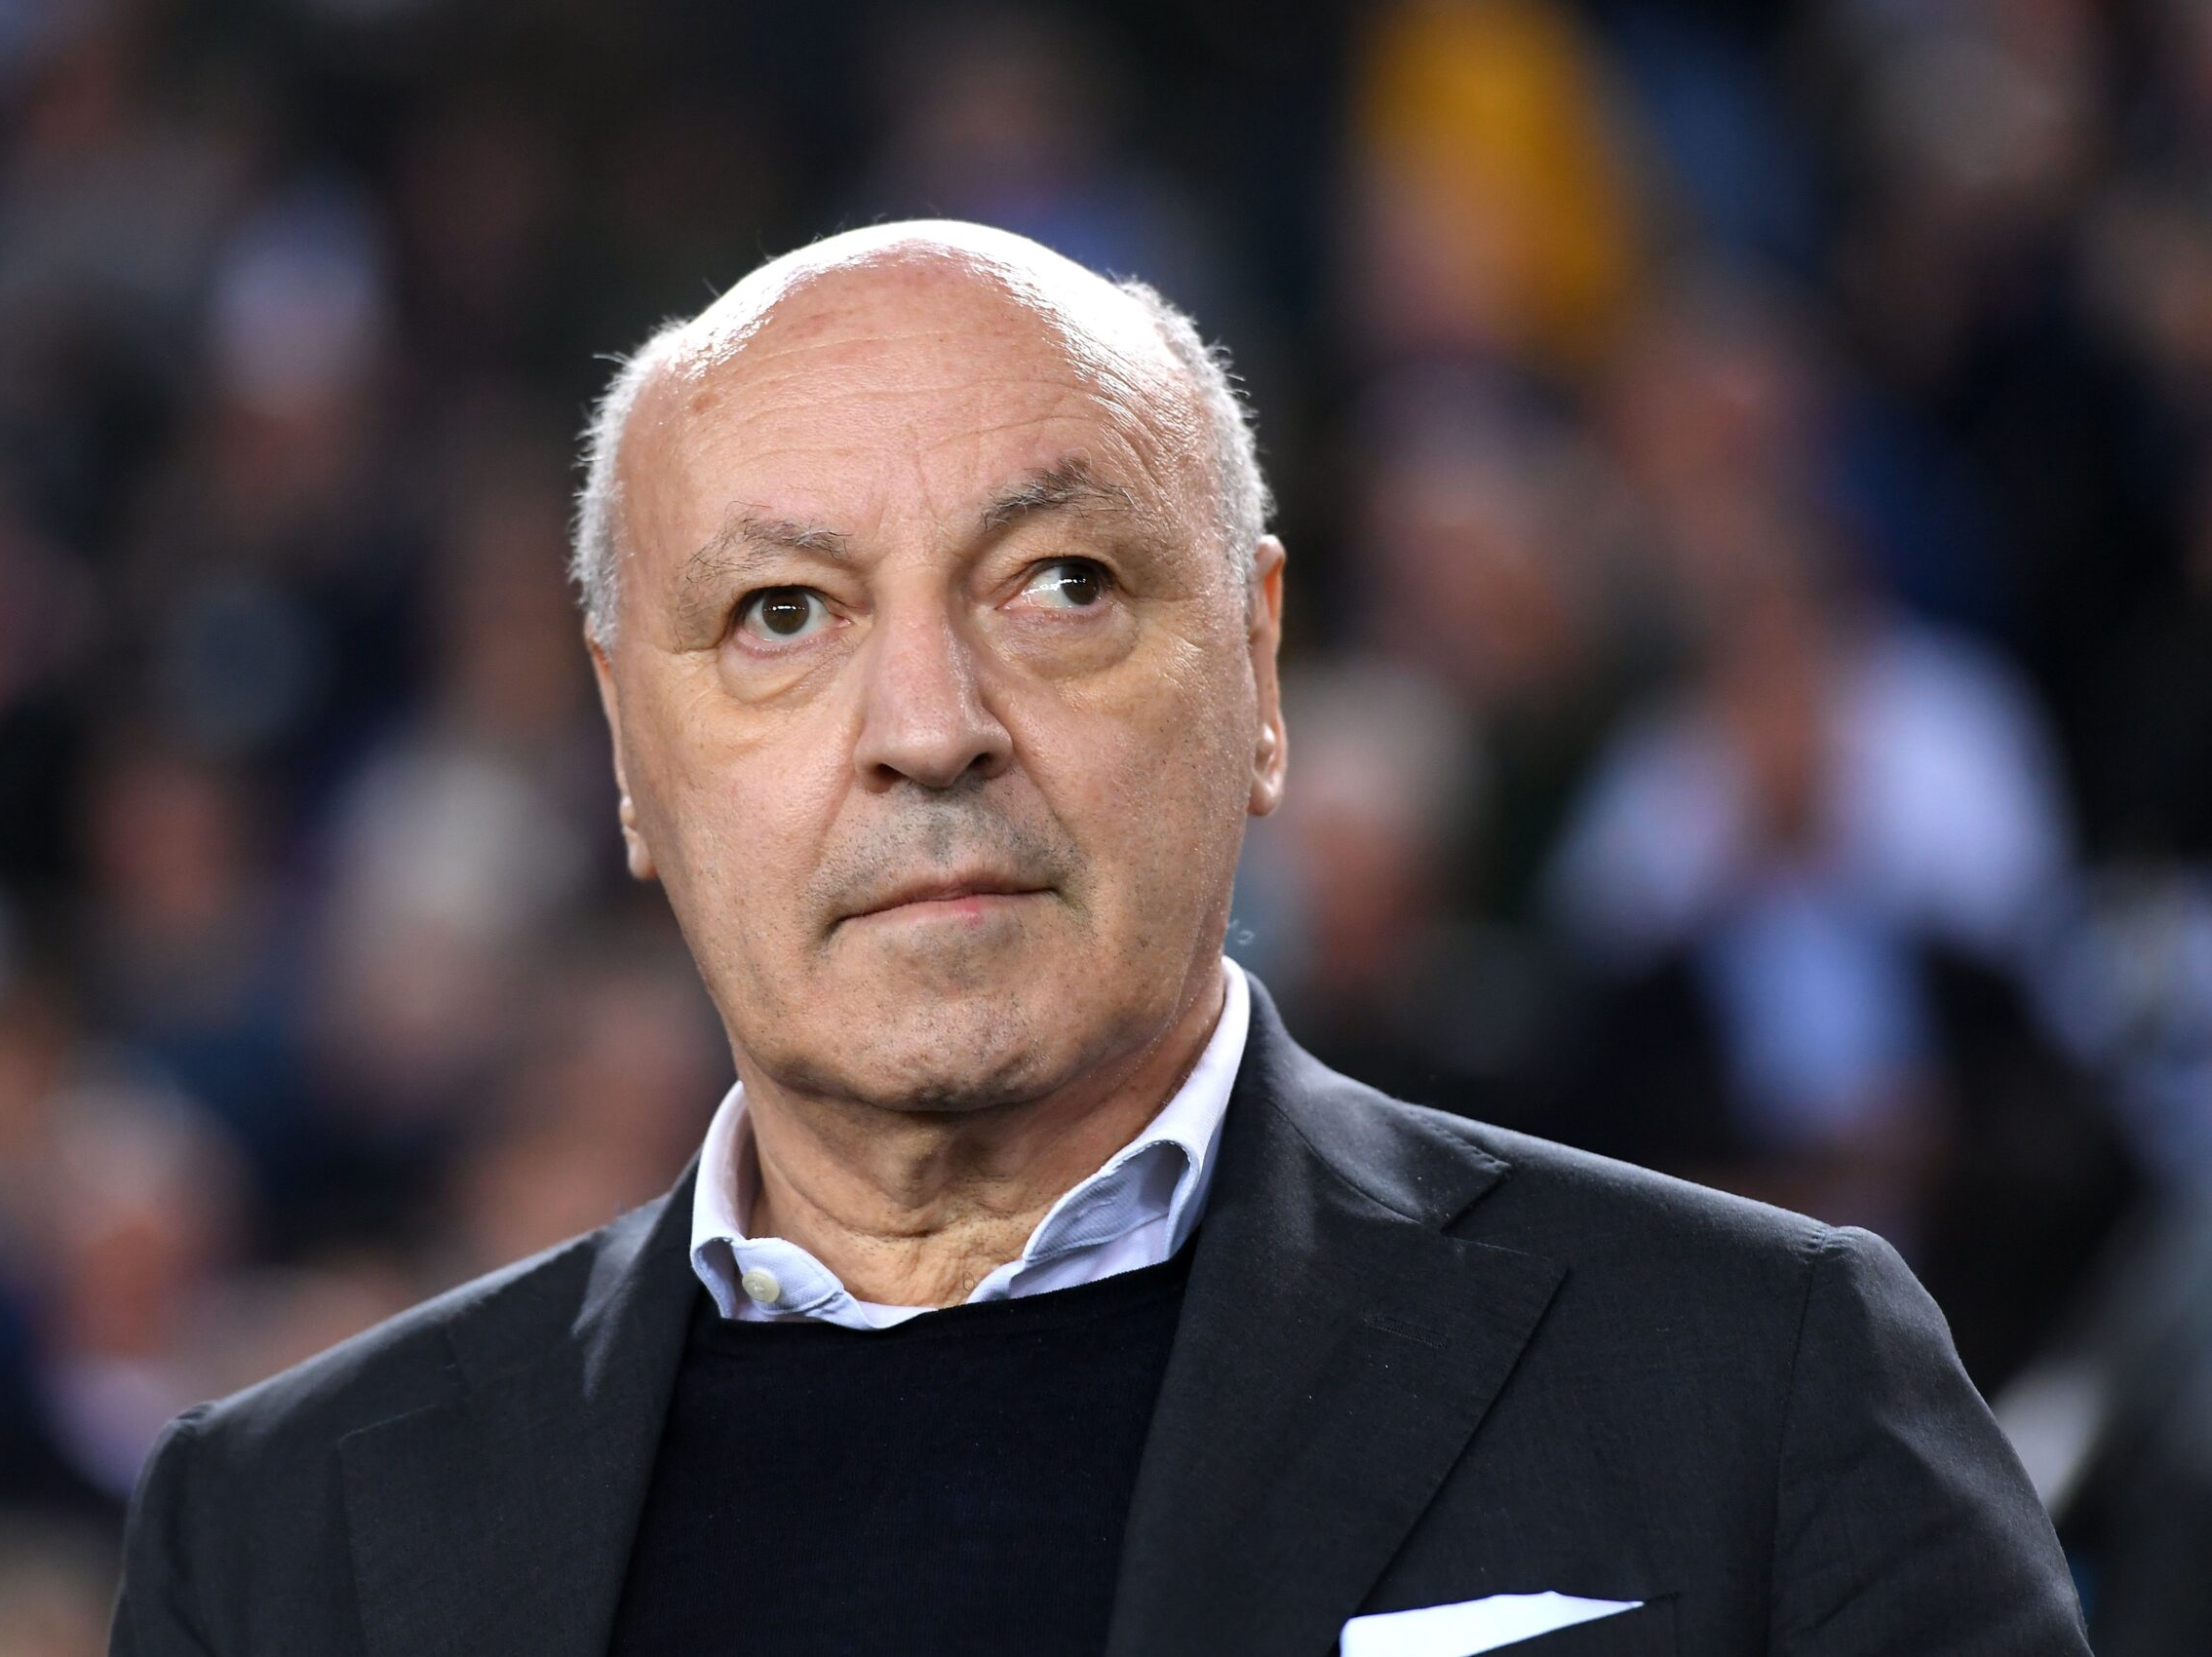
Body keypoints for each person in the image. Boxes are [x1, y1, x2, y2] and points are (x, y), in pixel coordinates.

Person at [107, 221, 2088, 1656]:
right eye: (782, 616)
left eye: (1058, 583)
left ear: (1258, 668)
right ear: (630, 752)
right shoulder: (288, 1537)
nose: (927, 726)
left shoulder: (1756, 1387)